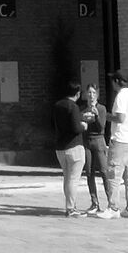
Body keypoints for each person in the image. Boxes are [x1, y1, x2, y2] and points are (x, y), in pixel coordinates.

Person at [104, 71, 128, 219]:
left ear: (117, 81)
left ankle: (113, 207)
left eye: (113, 80)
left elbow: (120, 118)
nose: (112, 83)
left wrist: (105, 115)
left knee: (114, 174)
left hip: (120, 139)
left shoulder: (121, 96)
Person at [52, 79, 90, 216]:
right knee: (73, 179)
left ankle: (70, 205)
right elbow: (75, 127)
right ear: (77, 93)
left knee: (67, 177)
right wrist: (84, 125)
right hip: (74, 146)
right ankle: (71, 208)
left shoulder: (58, 105)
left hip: (60, 147)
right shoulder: (73, 107)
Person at [79, 83, 115, 217]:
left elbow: (101, 127)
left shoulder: (102, 108)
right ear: (85, 95)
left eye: (94, 93)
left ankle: (111, 202)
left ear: (97, 95)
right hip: (87, 142)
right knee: (89, 172)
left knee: (104, 171)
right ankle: (94, 202)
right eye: (89, 93)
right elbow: (81, 126)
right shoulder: (83, 110)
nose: (91, 95)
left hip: (99, 141)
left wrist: (97, 115)